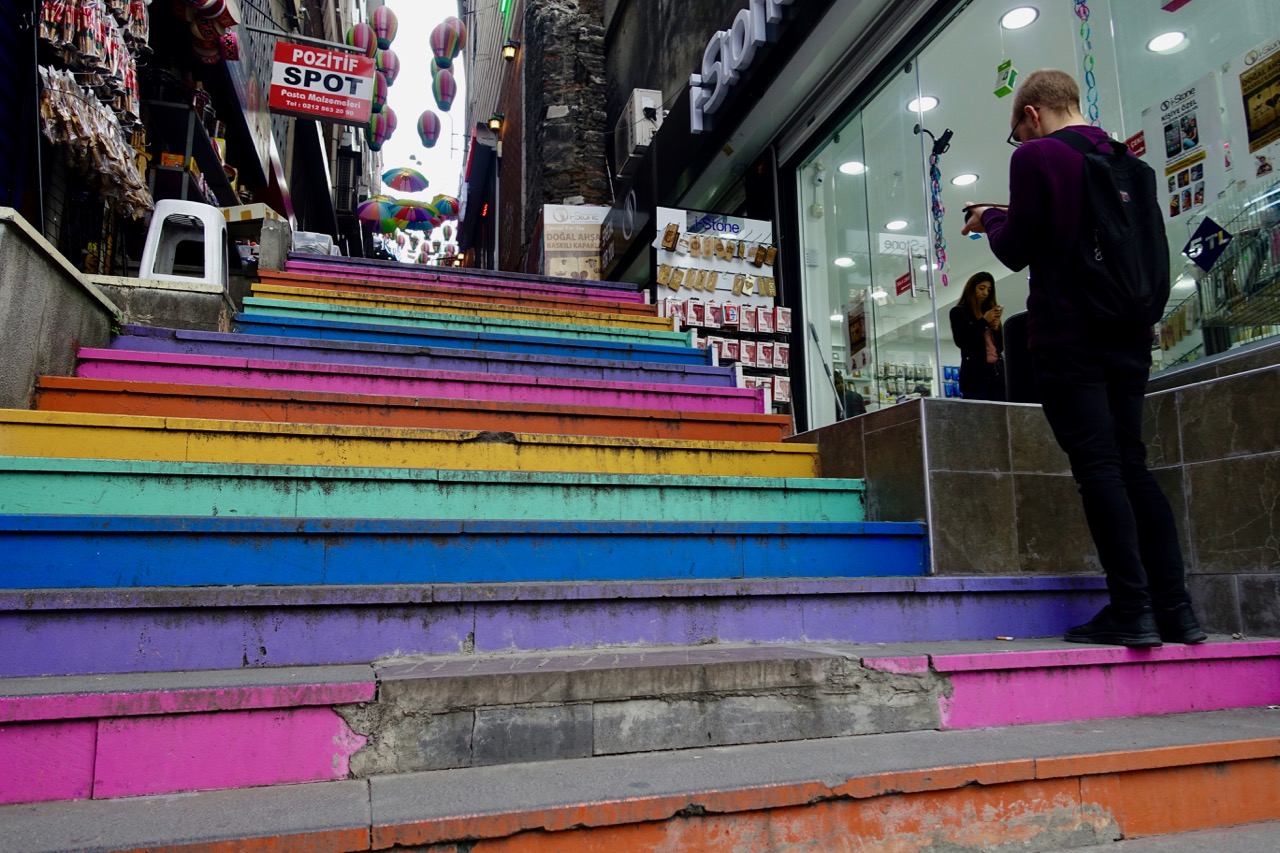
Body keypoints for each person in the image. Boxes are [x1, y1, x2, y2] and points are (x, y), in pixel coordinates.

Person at [961, 68, 1205, 648]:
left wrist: (990, 218)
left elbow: (1018, 250)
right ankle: (1176, 609)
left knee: (1097, 466)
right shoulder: (1129, 163)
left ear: (1031, 115)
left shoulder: (1037, 156)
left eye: (1017, 133)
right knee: (1132, 463)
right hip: (1128, 333)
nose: (1020, 144)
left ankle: (1131, 609)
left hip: (1069, 335)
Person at [948, 271, 1006, 401]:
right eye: (981, 288)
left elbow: (1000, 347)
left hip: (996, 373)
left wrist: (996, 328)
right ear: (972, 289)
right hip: (975, 375)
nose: (985, 293)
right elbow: (962, 341)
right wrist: (984, 322)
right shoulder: (959, 312)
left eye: (989, 289)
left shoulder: (989, 312)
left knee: (1001, 414)